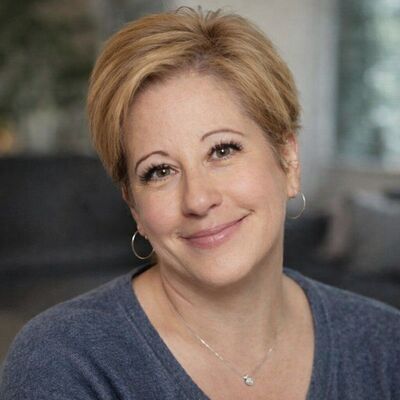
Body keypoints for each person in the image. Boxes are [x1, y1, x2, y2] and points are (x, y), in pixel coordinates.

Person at [1, 7, 399, 400]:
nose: (198, 199)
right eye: (159, 171)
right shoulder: (63, 362)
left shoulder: (386, 345)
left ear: (288, 160)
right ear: (134, 207)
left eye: (222, 150)